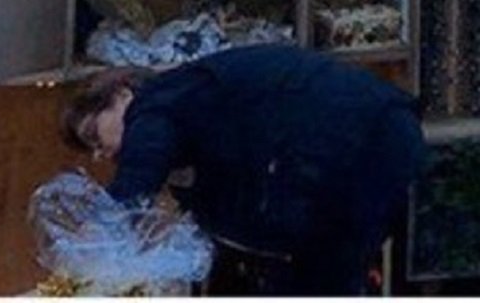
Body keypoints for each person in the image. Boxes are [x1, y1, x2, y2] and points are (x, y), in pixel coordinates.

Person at [62, 44, 426, 296]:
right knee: (326, 273)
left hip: (344, 143)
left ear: (123, 94)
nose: (100, 153)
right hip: (381, 139)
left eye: (95, 134)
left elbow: (141, 168)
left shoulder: (154, 102)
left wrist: (98, 230)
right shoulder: (199, 111)